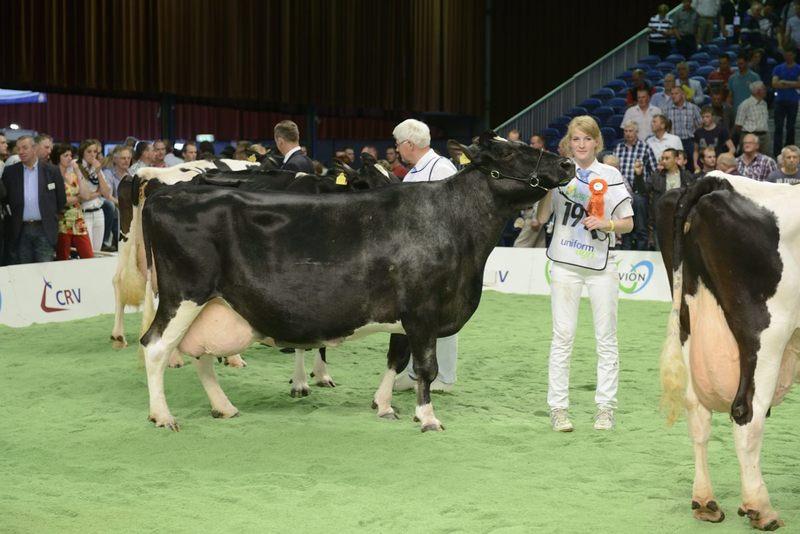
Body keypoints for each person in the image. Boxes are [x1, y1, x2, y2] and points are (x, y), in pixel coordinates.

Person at [536, 116, 633, 432]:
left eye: (586, 139)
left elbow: (628, 222)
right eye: (575, 139)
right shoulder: (560, 171)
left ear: (596, 142)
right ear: (569, 142)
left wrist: (606, 224)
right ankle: (558, 409)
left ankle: (605, 408)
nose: (581, 145)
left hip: (602, 268)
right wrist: (546, 186)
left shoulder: (610, 174)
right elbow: (541, 217)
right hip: (565, 266)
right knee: (562, 337)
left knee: (606, 339)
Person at [391, 118, 459, 393]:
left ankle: (444, 377)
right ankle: (413, 371)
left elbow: (450, 215)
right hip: (415, 257)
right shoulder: (414, 172)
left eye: (398, 144)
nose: (396, 150)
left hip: (438, 257)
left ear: (409, 144)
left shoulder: (441, 168)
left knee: (442, 317)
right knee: (415, 317)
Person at [1, 135, 66, 264]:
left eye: (25, 148)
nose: (21, 152)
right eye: (18, 149)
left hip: (45, 229)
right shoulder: (10, 172)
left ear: (35, 148)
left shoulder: (52, 171)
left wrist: (49, 216)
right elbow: (4, 198)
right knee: (24, 272)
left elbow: (61, 200)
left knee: (45, 274)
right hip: (20, 230)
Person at [614, 121, 657, 251]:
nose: (628, 134)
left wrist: (647, 187)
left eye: (631, 131)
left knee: (641, 228)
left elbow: (654, 170)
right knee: (625, 227)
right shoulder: (618, 148)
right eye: (625, 131)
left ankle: (642, 254)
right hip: (621, 191)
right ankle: (626, 253)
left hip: (639, 192)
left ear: (636, 132)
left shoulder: (645, 147)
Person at [51, 143, 93, 260]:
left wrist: (78, 170)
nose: (70, 158)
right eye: (66, 155)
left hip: (78, 221)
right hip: (62, 222)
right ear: (58, 157)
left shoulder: (73, 175)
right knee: (63, 258)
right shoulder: (53, 176)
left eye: (70, 155)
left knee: (88, 256)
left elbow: (87, 195)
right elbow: (61, 201)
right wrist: (78, 198)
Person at [648, 148, 696, 248]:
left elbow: (693, 199)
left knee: (681, 254)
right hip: (662, 220)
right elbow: (643, 191)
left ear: (676, 159)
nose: (664, 161)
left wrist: (689, 219)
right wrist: (638, 176)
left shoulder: (687, 176)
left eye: (667, 158)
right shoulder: (656, 176)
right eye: (662, 158)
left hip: (681, 219)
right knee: (660, 254)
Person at [76, 139, 113, 252]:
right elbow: (85, 196)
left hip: (98, 212)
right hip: (84, 214)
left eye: (95, 152)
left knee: (97, 251)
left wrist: (98, 172)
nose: (92, 155)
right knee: (87, 252)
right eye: (89, 151)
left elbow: (106, 193)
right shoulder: (76, 167)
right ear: (83, 152)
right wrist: (98, 193)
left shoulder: (96, 168)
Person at [663, 87, 702, 171]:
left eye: (676, 93)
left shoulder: (693, 108)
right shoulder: (666, 109)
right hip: (673, 142)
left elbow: (700, 125)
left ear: (683, 94)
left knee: (693, 167)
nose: (673, 96)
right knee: (675, 167)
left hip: (689, 141)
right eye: (672, 94)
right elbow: (664, 127)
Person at [771, 47, 800, 155]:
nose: (787, 57)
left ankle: (790, 150)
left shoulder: (798, 68)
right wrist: (792, 84)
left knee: (790, 127)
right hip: (780, 101)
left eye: (789, 54)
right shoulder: (778, 68)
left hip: (793, 100)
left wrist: (785, 83)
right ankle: (777, 152)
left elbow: (799, 84)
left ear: (794, 55)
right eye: (786, 54)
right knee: (778, 126)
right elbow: (774, 83)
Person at [735, 81, 770, 155]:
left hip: (764, 136)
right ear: (758, 91)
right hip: (750, 136)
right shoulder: (745, 105)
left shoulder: (764, 103)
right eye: (763, 89)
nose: (765, 90)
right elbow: (738, 125)